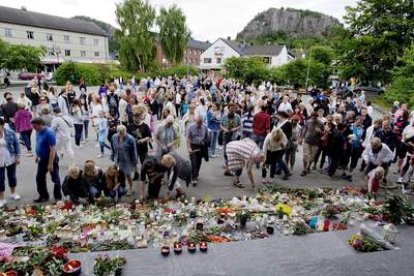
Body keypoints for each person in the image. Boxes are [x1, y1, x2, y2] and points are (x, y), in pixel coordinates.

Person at [31, 117, 62, 202]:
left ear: (41, 124)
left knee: (55, 178)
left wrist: (50, 164)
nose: (34, 128)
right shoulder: (38, 132)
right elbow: (38, 143)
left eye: (35, 126)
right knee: (39, 177)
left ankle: (58, 197)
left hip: (51, 159)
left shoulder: (49, 133)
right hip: (42, 159)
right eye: (33, 126)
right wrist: (37, 156)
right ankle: (43, 196)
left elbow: (52, 149)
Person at [111, 125, 138, 195]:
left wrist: (134, 162)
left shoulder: (131, 139)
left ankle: (131, 188)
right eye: (120, 133)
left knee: (128, 174)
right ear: (117, 132)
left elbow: (134, 151)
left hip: (127, 160)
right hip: (118, 159)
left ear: (125, 131)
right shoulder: (114, 137)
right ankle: (122, 186)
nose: (121, 135)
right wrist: (112, 156)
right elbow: (113, 148)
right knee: (117, 174)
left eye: (123, 133)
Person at [0, 118, 21, 208]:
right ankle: (1, 198)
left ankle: (13, 193)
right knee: (0, 179)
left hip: (10, 158)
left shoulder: (10, 132)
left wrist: (18, 157)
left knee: (12, 176)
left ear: (2, 125)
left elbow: (17, 144)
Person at [299, 111, 324, 176]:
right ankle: (304, 169)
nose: (313, 119)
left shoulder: (321, 123)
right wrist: (301, 138)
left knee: (312, 157)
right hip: (307, 141)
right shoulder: (308, 121)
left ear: (317, 117)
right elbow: (304, 129)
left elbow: (324, 134)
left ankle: (308, 167)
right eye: (312, 117)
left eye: (314, 118)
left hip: (316, 142)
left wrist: (320, 131)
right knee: (305, 156)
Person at [186, 115, 209, 186]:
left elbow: (206, 137)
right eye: (198, 122)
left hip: (201, 146)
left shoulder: (204, 127)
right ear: (196, 121)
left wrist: (205, 143)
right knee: (193, 162)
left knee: (199, 162)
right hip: (193, 146)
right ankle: (194, 178)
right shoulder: (190, 127)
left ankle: (196, 173)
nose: (200, 124)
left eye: (201, 123)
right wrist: (189, 148)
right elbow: (188, 138)